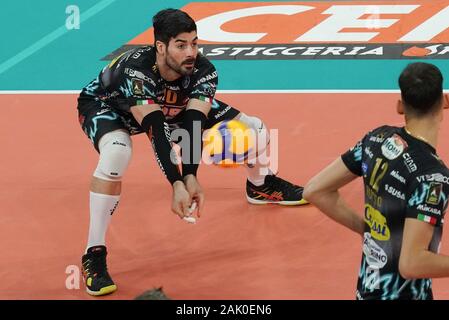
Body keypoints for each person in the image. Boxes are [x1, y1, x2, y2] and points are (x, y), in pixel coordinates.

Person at [77, 8, 308, 296]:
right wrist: (176, 183)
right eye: (181, 45)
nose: (191, 52)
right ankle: (93, 254)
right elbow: (156, 130)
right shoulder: (135, 70)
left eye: (195, 43)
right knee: (116, 154)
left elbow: (193, 122)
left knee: (255, 129)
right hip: (111, 107)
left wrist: (191, 176)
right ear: (161, 47)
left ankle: (260, 184)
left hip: (173, 103)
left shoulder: (203, 71)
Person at [304, 62, 449, 300]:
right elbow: (412, 264)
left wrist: (366, 229)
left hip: (367, 291)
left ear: (400, 107)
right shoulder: (433, 177)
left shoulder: (376, 139)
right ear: (444, 101)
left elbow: (314, 190)